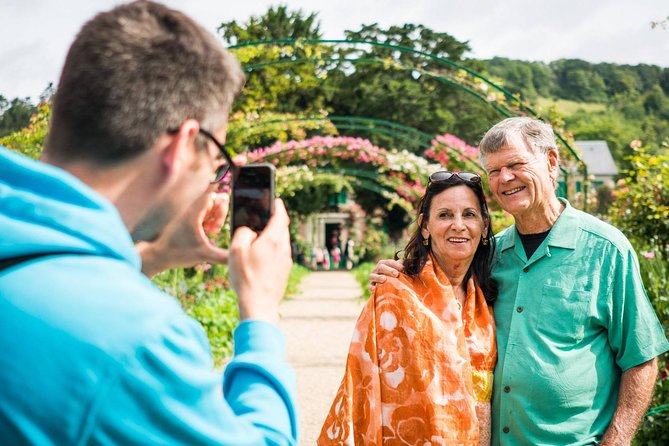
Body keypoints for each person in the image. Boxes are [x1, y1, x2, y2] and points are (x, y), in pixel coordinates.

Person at [0, 1, 298, 444]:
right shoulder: (134, 340)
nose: (212, 183)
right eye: (217, 163)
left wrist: (154, 256)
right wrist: (260, 313)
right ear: (183, 146)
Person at [370, 117, 669, 445]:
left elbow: (641, 360)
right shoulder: (490, 254)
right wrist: (401, 275)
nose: (504, 179)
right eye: (494, 171)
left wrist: (617, 442)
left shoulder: (605, 249)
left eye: (515, 164)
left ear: (551, 162)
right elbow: (443, 292)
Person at [320, 171, 498, 445]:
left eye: (469, 214)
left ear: (484, 226)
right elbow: (362, 383)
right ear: (424, 226)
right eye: (445, 215)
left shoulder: (490, 293)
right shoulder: (395, 293)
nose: (458, 225)